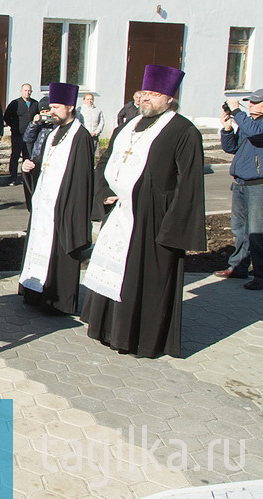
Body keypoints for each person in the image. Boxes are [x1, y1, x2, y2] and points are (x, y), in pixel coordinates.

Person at [82, 65, 206, 358]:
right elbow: (106, 161)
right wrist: (104, 194)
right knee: (116, 275)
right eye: (144, 93)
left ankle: (139, 340)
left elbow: (189, 184)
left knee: (144, 282)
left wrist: (172, 231)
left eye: (153, 94)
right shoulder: (129, 125)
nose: (145, 99)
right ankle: (107, 330)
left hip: (155, 221)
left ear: (170, 98)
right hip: (122, 213)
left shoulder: (183, 131)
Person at [18, 82, 94, 314]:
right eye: (50, 107)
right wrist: (31, 166)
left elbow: (81, 178)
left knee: (57, 252)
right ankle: (35, 294)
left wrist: (69, 208)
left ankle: (58, 302)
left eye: (57, 107)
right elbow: (44, 163)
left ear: (70, 107)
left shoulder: (80, 137)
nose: (51, 111)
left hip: (63, 205)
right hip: (45, 202)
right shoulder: (53, 134)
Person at [217, 90, 263, 290]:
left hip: (258, 186)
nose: (251, 105)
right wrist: (227, 129)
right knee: (240, 229)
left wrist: (237, 112)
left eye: (256, 102)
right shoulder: (249, 122)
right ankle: (238, 267)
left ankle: (261, 276)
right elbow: (232, 148)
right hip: (241, 183)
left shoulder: (255, 125)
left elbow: (253, 132)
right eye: (249, 102)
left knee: (257, 232)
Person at [4, 83, 39, 186]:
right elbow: (6, 117)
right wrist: (14, 126)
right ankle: (13, 177)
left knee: (27, 156)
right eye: (25, 90)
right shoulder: (15, 103)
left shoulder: (35, 104)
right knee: (15, 155)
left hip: (30, 136)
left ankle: (26, 177)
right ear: (21, 91)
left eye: (29, 91)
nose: (27, 92)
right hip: (17, 134)